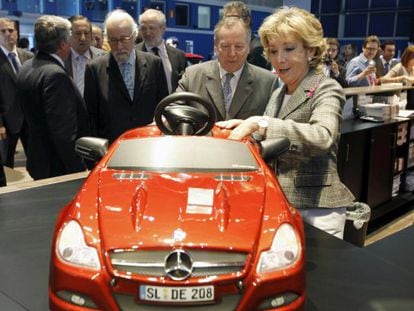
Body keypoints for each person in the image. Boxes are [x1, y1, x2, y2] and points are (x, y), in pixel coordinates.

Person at [217, 6, 355, 239]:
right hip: (280, 205)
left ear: (310, 50)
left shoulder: (327, 87)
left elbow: (323, 136)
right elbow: (270, 138)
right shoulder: (279, 93)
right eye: (273, 51)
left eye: (289, 49)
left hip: (317, 211)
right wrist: (247, 127)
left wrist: (262, 124)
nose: (279, 59)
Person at [16, 15, 90, 180]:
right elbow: (63, 132)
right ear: (63, 44)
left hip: (38, 158)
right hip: (57, 166)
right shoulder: (54, 75)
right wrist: (78, 169)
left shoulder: (27, 67)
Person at [84, 9, 168, 144]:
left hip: (149, 143)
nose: (119, 46)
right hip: (112, 148)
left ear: (134, 36)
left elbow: (163, 106)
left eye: (124, 39)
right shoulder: (94, 68)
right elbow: (90, 116)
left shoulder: (154, 63)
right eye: (113, 40)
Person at [176, 17, 278, 121]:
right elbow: (174, 109)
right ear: (215, 48)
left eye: (238, 46)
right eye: (225, 46)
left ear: (248, 48)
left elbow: (272, 124)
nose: (232, 53)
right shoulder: (192, 75)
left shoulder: (268, 82)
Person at [0, 18, 33, 168]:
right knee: (6, 163)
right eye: (3, 31)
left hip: (30, 118)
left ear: (17, 34)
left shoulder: (29, 57)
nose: (7, 34)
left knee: (36, 157)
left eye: (10, 30)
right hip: (7, 121)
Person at [136, 9, 187, 94]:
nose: (147, 33)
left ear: (163, 28)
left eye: (152, 28)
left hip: (172, 105)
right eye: (143, 28)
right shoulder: (134, 53)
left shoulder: (179, 56)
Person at [222, 1, 271, 70]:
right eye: (226, 19)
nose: (229, 23)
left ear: (247, 20)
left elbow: (260, 79)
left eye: (233, 18)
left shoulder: (257, 49)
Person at [65, 16, 106, 96]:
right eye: (78, 33)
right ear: (68, 35)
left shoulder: (103, 58)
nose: (83, 38)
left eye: (86, 33)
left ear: (91, 36)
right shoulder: (62, 58)